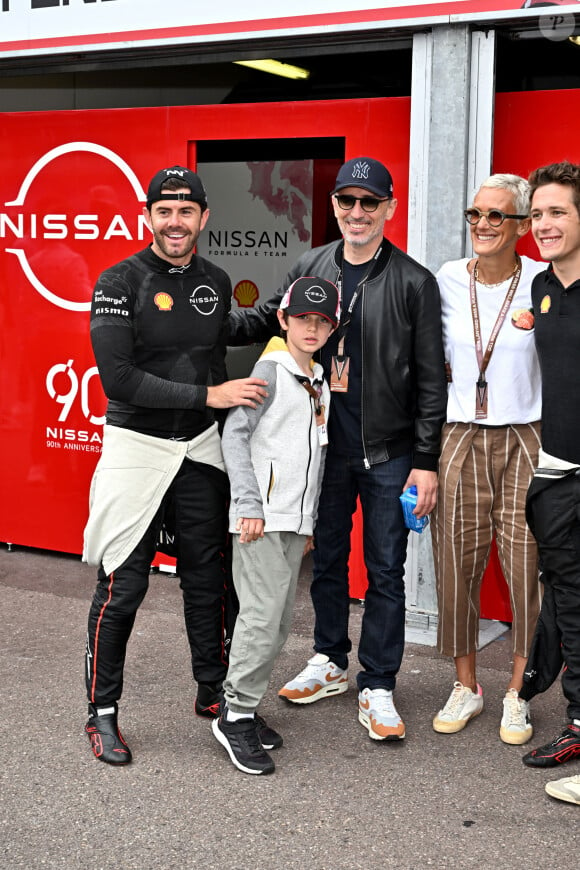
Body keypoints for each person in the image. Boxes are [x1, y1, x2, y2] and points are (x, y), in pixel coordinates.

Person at [228, 157, 447, 740]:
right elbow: (265, 317)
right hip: (322, 449)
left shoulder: (413, 281)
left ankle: (377, 683)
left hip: (389, 452)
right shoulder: (312, 262)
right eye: (347, 202)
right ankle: (328, 659)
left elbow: (431, 380)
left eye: (369, 203)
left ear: (389, 209)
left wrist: (426, 462)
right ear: (334, 206)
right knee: (324, 562)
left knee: (384, 570)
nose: (356, 213)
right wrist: (195, 323)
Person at [82, 165, 269, 765]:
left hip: (199, 449)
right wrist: (208, 397)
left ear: (204, 218)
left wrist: (299, 307)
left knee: (210, 581)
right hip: (137, 445)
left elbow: (223, 338)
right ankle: (102, 713)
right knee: (123, 584)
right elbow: (120, 379)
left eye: (186, 211)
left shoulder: (215, 278)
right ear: (148, 216)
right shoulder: (119, 280)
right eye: (165, 210)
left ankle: (213, 693)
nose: (175, 221)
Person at [431, 174, 544, 744]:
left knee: (527, 567)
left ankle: (517, 693)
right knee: (455, 564)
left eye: (497, 216)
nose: (483, 225)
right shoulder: (448, 279)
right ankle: (466, 686)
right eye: (475, 213)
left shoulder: (545, 284)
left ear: (522, 225)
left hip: (527, 436)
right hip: (459, 433)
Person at [213, 276, 340, 775]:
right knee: (262, 620)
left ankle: (243, 706)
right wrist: (248, 504)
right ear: (283, 320)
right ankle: (234, 715)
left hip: (293, 520)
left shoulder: (318, 380)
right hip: (259, 519)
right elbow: (234, 438)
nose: (311, 328)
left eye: (321, 321)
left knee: (280, 622)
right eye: (302, 318)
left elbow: (318, 456)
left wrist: (307, 522)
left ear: (330, 329)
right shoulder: (270, 370)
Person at [516, 161, 580, 774]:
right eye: (537, 214)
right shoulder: (540, 287)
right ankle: (579, 723)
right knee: (570, 599)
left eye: (558, 211)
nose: (544, 224)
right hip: (557, 469)